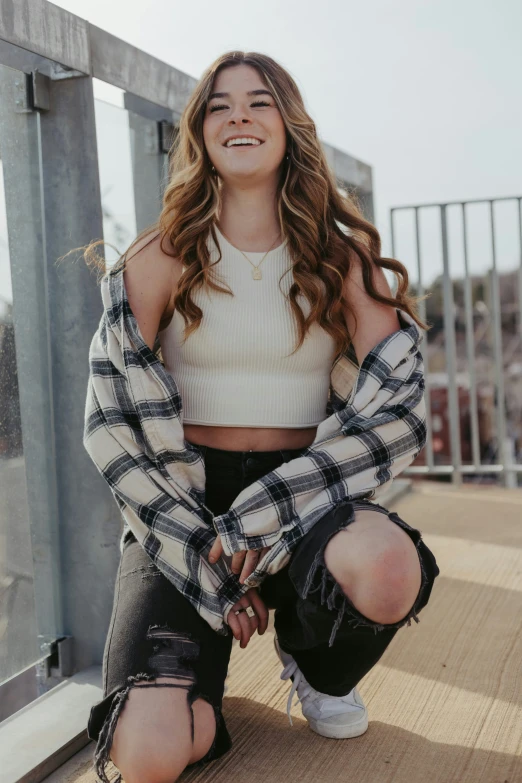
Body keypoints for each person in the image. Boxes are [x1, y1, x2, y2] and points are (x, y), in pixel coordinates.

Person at [78, 51, 440, 783]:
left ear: (289, 127)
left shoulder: (339, 257)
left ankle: (314, 661)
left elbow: (398, 403)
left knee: (388, 567)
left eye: (259, 102)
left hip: (305, 495)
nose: (239, 115)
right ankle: (200, 689)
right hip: (188, 505)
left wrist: (267, 511)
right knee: (148, 758)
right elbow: (112, 426)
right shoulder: (159, 256)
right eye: (220, 105)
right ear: (201, 132)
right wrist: (208, 561)